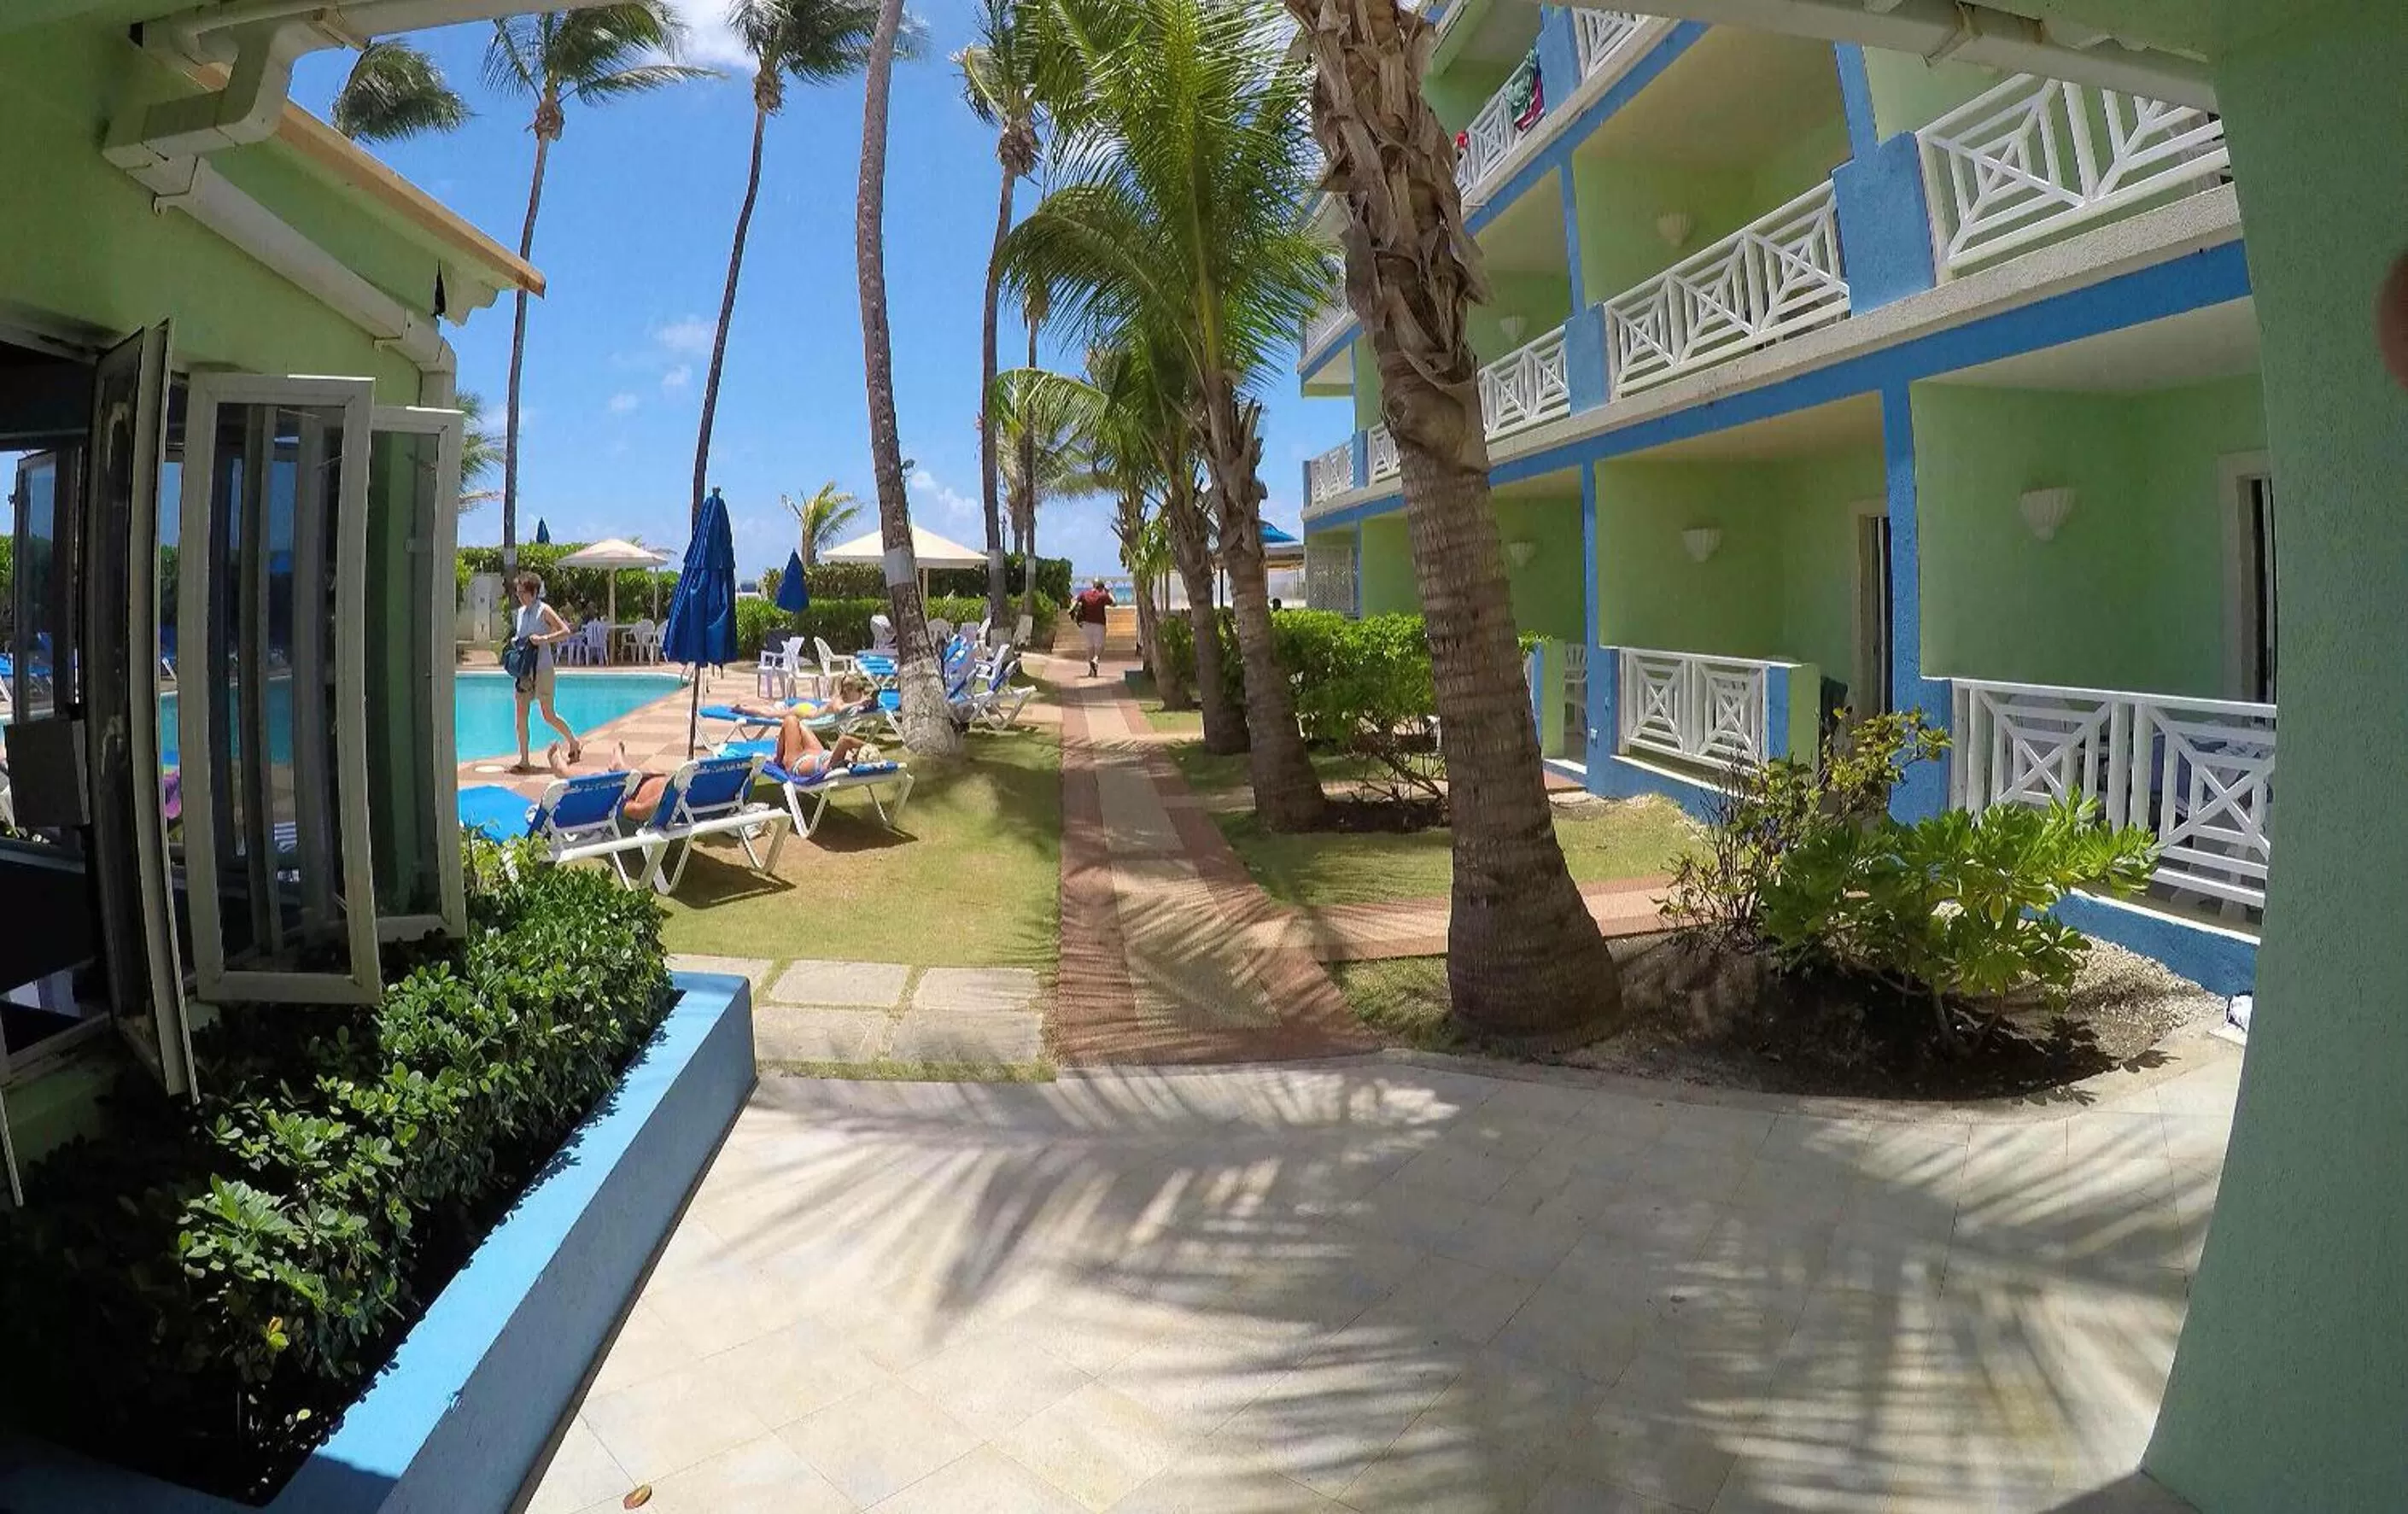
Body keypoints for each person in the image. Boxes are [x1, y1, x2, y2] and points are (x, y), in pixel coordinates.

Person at [548, 714, 867, 821]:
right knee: (629, 772)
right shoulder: (703, 790)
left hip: (631, 790)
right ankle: (619, 764)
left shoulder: (662, 802)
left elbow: (630, 809)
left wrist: (622, 805)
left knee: (601, 780)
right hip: (671, 783)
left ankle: (565, 771)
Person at [509, 572, 581, 773]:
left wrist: (543, 639)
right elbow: (521, 635)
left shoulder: (544, 610)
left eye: (523, 592)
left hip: (542, 669)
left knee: (548, 714)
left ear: (533, 592)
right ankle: (524, 759)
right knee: (521, 714)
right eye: (518, 593)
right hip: (525, 670)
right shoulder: (521, 613)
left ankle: (574, 742)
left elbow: (565, 631)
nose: (520, 596)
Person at [1072, 577, 1116, 678]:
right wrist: (1108, 592)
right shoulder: (1102, 595)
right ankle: (1096, 660)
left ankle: (1091, 671)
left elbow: (1074, 602)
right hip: (1099, 624)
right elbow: (1114, 603)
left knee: (1089, 647)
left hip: (1086, 624)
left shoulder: (1084, 594)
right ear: (1101, 587)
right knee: (1099, 647)